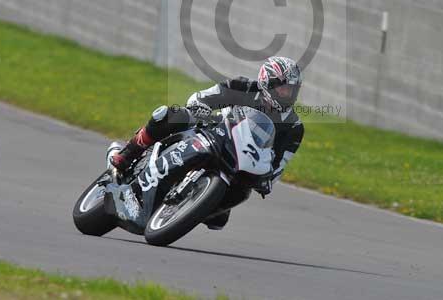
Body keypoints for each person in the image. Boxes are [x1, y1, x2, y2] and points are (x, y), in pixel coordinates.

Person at [107, 56, 305, 229]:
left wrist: (267, 181)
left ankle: (187, 208)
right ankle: (128, 153)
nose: (288, 94)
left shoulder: (294, 127)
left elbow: (279, 163)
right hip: (215, 131)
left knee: (222, 216)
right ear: (267, 83)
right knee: (171, 115)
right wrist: (200, 107)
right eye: (284, 89)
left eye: (292, 90)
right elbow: (201, 98)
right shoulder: (242, 86)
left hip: (241, 161)